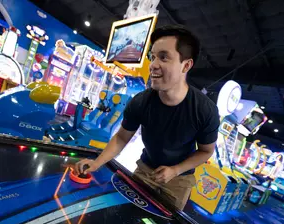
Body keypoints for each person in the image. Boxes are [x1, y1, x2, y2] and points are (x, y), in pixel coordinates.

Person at [75, 25, 220, 211]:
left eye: (164, 57)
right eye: (152, 57)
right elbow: (121, 137)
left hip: (180, 179)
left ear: (186, 65)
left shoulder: (205, 110)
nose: (153, 64)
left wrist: (175, 170)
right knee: (127, 214)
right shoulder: (141, 102)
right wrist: (96, 163)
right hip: (145, 169)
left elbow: (206, 151)